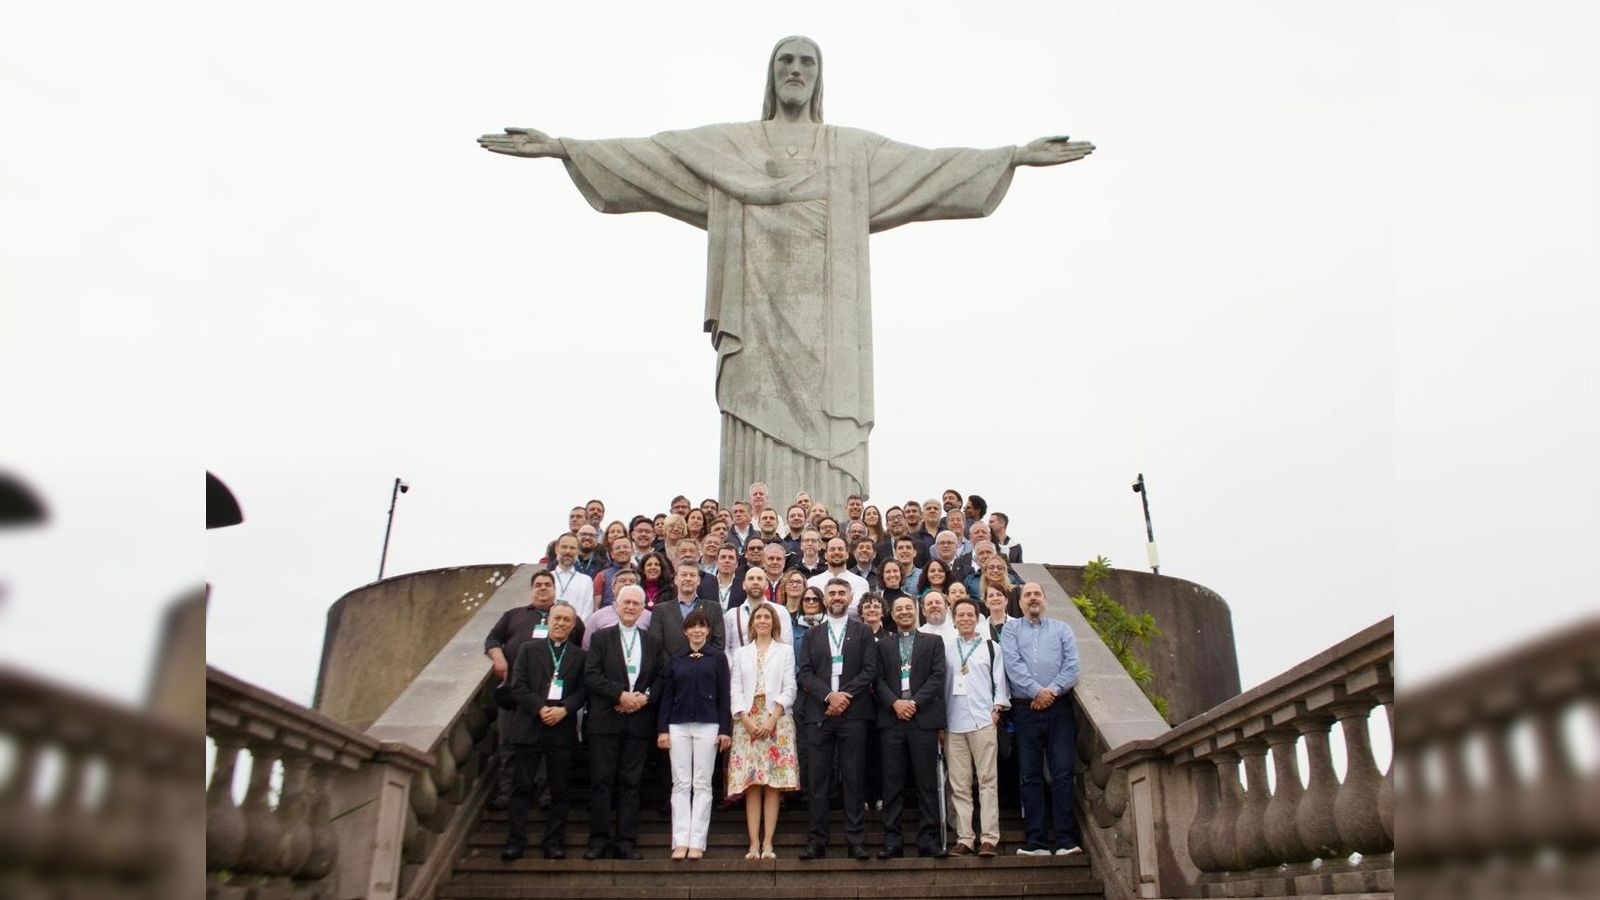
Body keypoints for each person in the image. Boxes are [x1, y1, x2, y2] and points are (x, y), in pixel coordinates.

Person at [480, 34, 1093, 508]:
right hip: (755, 319)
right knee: (751, 422)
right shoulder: (732, 146)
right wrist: (565, 146)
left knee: (833, 439)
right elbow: (653, 156)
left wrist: (1011, 156)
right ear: (771, 77)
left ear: (819, 77)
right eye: (785, 62)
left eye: (807, 62)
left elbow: (930, 169)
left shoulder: (851, 151)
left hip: (829, 331)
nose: (796, 70)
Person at [484, 570, 588, 810]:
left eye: (547, 584)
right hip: (517, 693)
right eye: (538, 585)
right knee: (510, 744)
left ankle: (544, 793)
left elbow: (579, 647)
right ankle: (506, 791)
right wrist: (498, 658)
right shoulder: (514, 615)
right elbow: (492, 639)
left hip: (555, 700)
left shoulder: (568, 617)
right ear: (531, 590)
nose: (543, 588)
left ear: (555, 589)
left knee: (550, 751)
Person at [796, 579, 878, 860]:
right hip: (819, 714)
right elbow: (804, 673)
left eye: (842, 593)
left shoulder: (863, 632)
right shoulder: (812, 634)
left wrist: (843, 696)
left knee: (854, 778)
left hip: (854, 714)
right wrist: (829, 697)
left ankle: (855, 840)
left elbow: (869, 670)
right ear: (825, 599)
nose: (837, 597)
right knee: (818, 780)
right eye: (832, 593)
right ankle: (817, 840)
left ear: (851, 596)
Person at [1001, 582, 1083, 857]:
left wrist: (1052, 692)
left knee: (1062, 773)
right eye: (1027, 595)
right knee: (1029, 775)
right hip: (1025, 710)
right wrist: (1038, 692)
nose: (1032, 598)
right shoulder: (1011, 630)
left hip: (1059, 709)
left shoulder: (1062, 629)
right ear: (1020, 602)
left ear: (1045, 600)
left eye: (1037, 594)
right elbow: (1013, 666)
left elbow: (1072, 666)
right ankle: (1035, 841)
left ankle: (1065, 840)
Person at [584, 586, 665, 860]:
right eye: (626, 602)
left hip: (638, 721)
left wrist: (644, 699)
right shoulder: (600, 638)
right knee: (601, 781)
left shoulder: (652, 640)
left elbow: (660, 677)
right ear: (616, 606)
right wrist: (619, 695)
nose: (631, 607)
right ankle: (598, 840)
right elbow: (592, 675)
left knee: (631, 783)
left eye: (636, 603)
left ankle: (626, 840)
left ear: (644, 608)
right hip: (606, 720)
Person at [502, 602, 587, 861]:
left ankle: (554, 841)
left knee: (560, 789)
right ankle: (516, 840)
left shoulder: (580, 656)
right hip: (530, 725)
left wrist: (564, 709)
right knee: (521, 787)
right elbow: (518, 686)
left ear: (573, 626)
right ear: (549, 620)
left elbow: (583, 690)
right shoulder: (528, 650)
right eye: (557, 618)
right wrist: (540, 708)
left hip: (561, 729)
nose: (561, 623)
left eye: (567, 620)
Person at [873, 594, 948, 858]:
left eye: (908, 608)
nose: (904, 612)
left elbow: (938, 677)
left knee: (926, 782)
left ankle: (928, 840)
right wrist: (895, 703)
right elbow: (877, 680)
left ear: (917, 612)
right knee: (892, 783)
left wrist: (913, 703)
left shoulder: (933, 642)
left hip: (923, 720)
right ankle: (893, 840)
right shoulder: (883, 645)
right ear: (891, 616)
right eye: (899, 610)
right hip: (892, 721)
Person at [656, 610, 733, 860]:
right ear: (685, 631)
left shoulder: (718, 658)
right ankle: (680, 841)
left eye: (702, 626)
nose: (697, 631)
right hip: (678, 725)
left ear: (708, 631)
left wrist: (724, 730)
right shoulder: (676, 658)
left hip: (708, 724)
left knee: (701, 784)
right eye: (693, 627)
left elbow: (725, 696)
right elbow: (666, 696)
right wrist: (662, 729)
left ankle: (697, 841)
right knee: (680, 783)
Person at [726, 602, 800, 859]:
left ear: (774, 622)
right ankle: (753, 843)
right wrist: (744, 718)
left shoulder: (785, 651)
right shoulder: (741, 653)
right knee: (752, 783)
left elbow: (790, 686)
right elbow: (735, 688)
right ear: (752, 623)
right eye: (758, 617)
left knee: (772, 784)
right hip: (748, 721)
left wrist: (773, 717)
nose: (763, 621)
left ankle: (768, 842)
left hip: (776, 720)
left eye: (767, 617)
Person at [942, 598, 1009, 857]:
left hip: (983, 721)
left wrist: (996, 711)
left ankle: (990, 837)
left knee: (987, 780)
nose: (966, 619)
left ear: (977, 618)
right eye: (961, 615)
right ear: (955, 619)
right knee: (959, 785)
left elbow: (1000, 682)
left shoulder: (991, 647)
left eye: (970, 614)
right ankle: (965, 837)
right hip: (954, 723)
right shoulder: (947, 648)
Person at [650, 560, 728, 655]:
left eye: (692, 575)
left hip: (706, 668)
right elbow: (656, 646)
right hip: (670, 668)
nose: (688, 578)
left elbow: (718, 645)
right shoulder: (660, 610)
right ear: (676, 580)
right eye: (684, 575)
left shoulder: (713, 608)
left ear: (698, 580)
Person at [725, 567, 795, 653]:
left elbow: (787, 646)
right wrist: (734, 666)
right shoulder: (731, 615)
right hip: (740, 665)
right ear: (743, 585)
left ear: (766, 585)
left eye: (759, 579)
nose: (755, 582)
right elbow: (726, 649)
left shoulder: (780, 611)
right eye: (751, 579)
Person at [584, 567, 651, 648]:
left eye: (632, 581)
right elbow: (587, 647)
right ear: (613, 588)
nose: (627, 583)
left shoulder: (649, 616)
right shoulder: (598, 616)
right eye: (622, 581)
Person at [805, 537, 870, 613]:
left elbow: (857, 609)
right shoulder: (812, 582)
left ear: (847, 554)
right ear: (825, 555)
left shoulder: (861, 582)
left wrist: (822, 607)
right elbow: (809, 609)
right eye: (832, 549)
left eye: (840, 549)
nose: (836, 552)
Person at [548, 533, 597, 619]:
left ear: (578, 551)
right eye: (564, 547)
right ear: (556, 549)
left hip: (576, 630)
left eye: (572, 548)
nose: (568, 551)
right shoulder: (547, 578)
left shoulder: (586, 581)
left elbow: (587, 611)